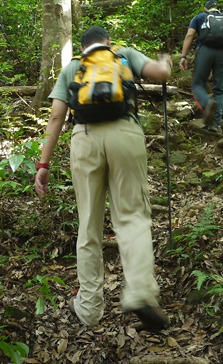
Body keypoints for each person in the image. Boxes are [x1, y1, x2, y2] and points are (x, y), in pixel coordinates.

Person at [34, 26, 172, 331]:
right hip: (125, 133)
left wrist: (43, 163)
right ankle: (138, 293)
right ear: (108, 43)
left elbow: (56, 116)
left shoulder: (73, 68)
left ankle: (90, 308)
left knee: (89, 223)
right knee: (133, 216)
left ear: (83, 47)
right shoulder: (123, 56)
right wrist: (166, 60)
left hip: (84, 139)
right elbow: (160, 74)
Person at [179, 0, 223, 132]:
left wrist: (183, 56)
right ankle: (215, 124)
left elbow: (190, 34)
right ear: (219, 9)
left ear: (205, 9)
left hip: (204, 50)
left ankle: (207, 104)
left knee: (197, 84)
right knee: (220, 90)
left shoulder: (200, 17)